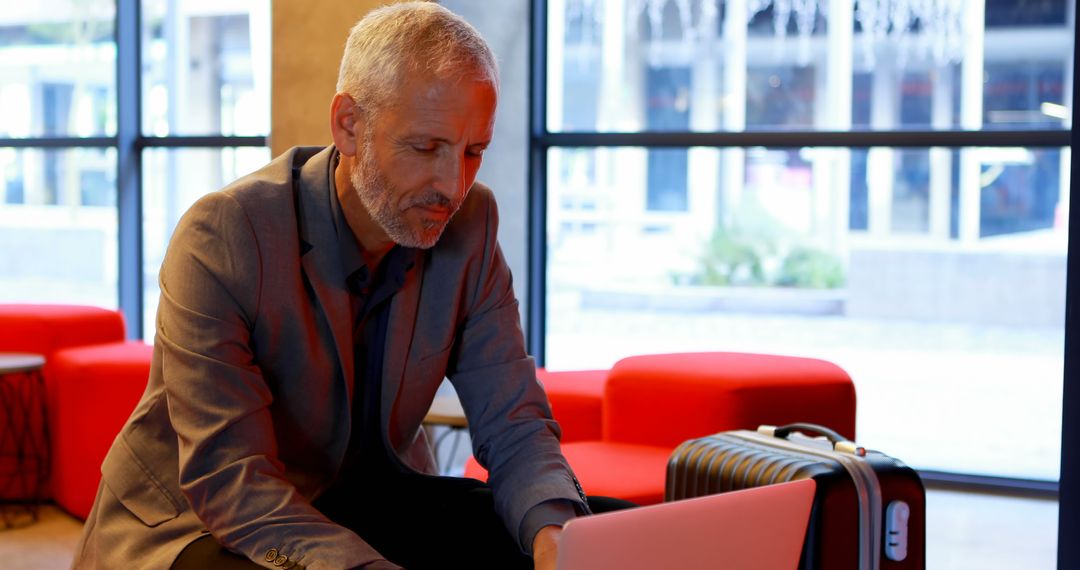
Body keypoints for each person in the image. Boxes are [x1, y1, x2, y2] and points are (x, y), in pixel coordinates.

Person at [72, 4, 631, 569]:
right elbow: (233, 482)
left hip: (363, 498)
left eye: (472, 151)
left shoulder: (471, 224)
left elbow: (514, 421)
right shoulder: (223, 234)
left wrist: (556, 536)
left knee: (607, 535)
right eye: (425, 148)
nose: (452, 184)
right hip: (198, 524)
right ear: (349, 126)